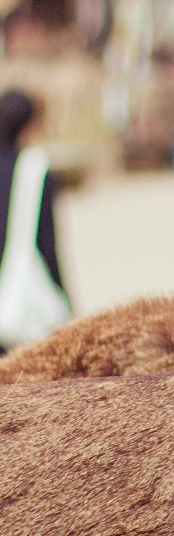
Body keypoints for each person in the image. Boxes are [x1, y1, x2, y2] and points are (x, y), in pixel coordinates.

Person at [0, 90, 70, 347]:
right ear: (28, 126)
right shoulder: (32, 169)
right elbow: (47, 244)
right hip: (14, 308)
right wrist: (64, 299)